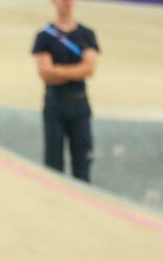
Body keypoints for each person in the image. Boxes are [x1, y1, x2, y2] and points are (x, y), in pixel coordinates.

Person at [32, 0, 101, 182]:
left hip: (79, 104)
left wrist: (58, 71)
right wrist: (76, 71)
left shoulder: (87, 34)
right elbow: (45, 74)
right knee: (53, 163)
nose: (66, 3)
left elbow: (89, 70)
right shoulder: (44, 36)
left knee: (82, 162)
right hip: (55, 104)